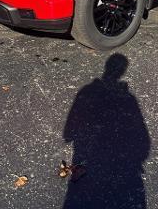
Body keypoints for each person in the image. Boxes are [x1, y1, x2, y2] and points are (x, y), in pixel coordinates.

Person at [62, 53, 151, 209]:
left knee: (83, 194)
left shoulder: (87, 90)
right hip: (118, 161)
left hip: (87, 151)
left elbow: (69, 131)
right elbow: (140, 131)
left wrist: (70, 133)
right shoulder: (128, 97)